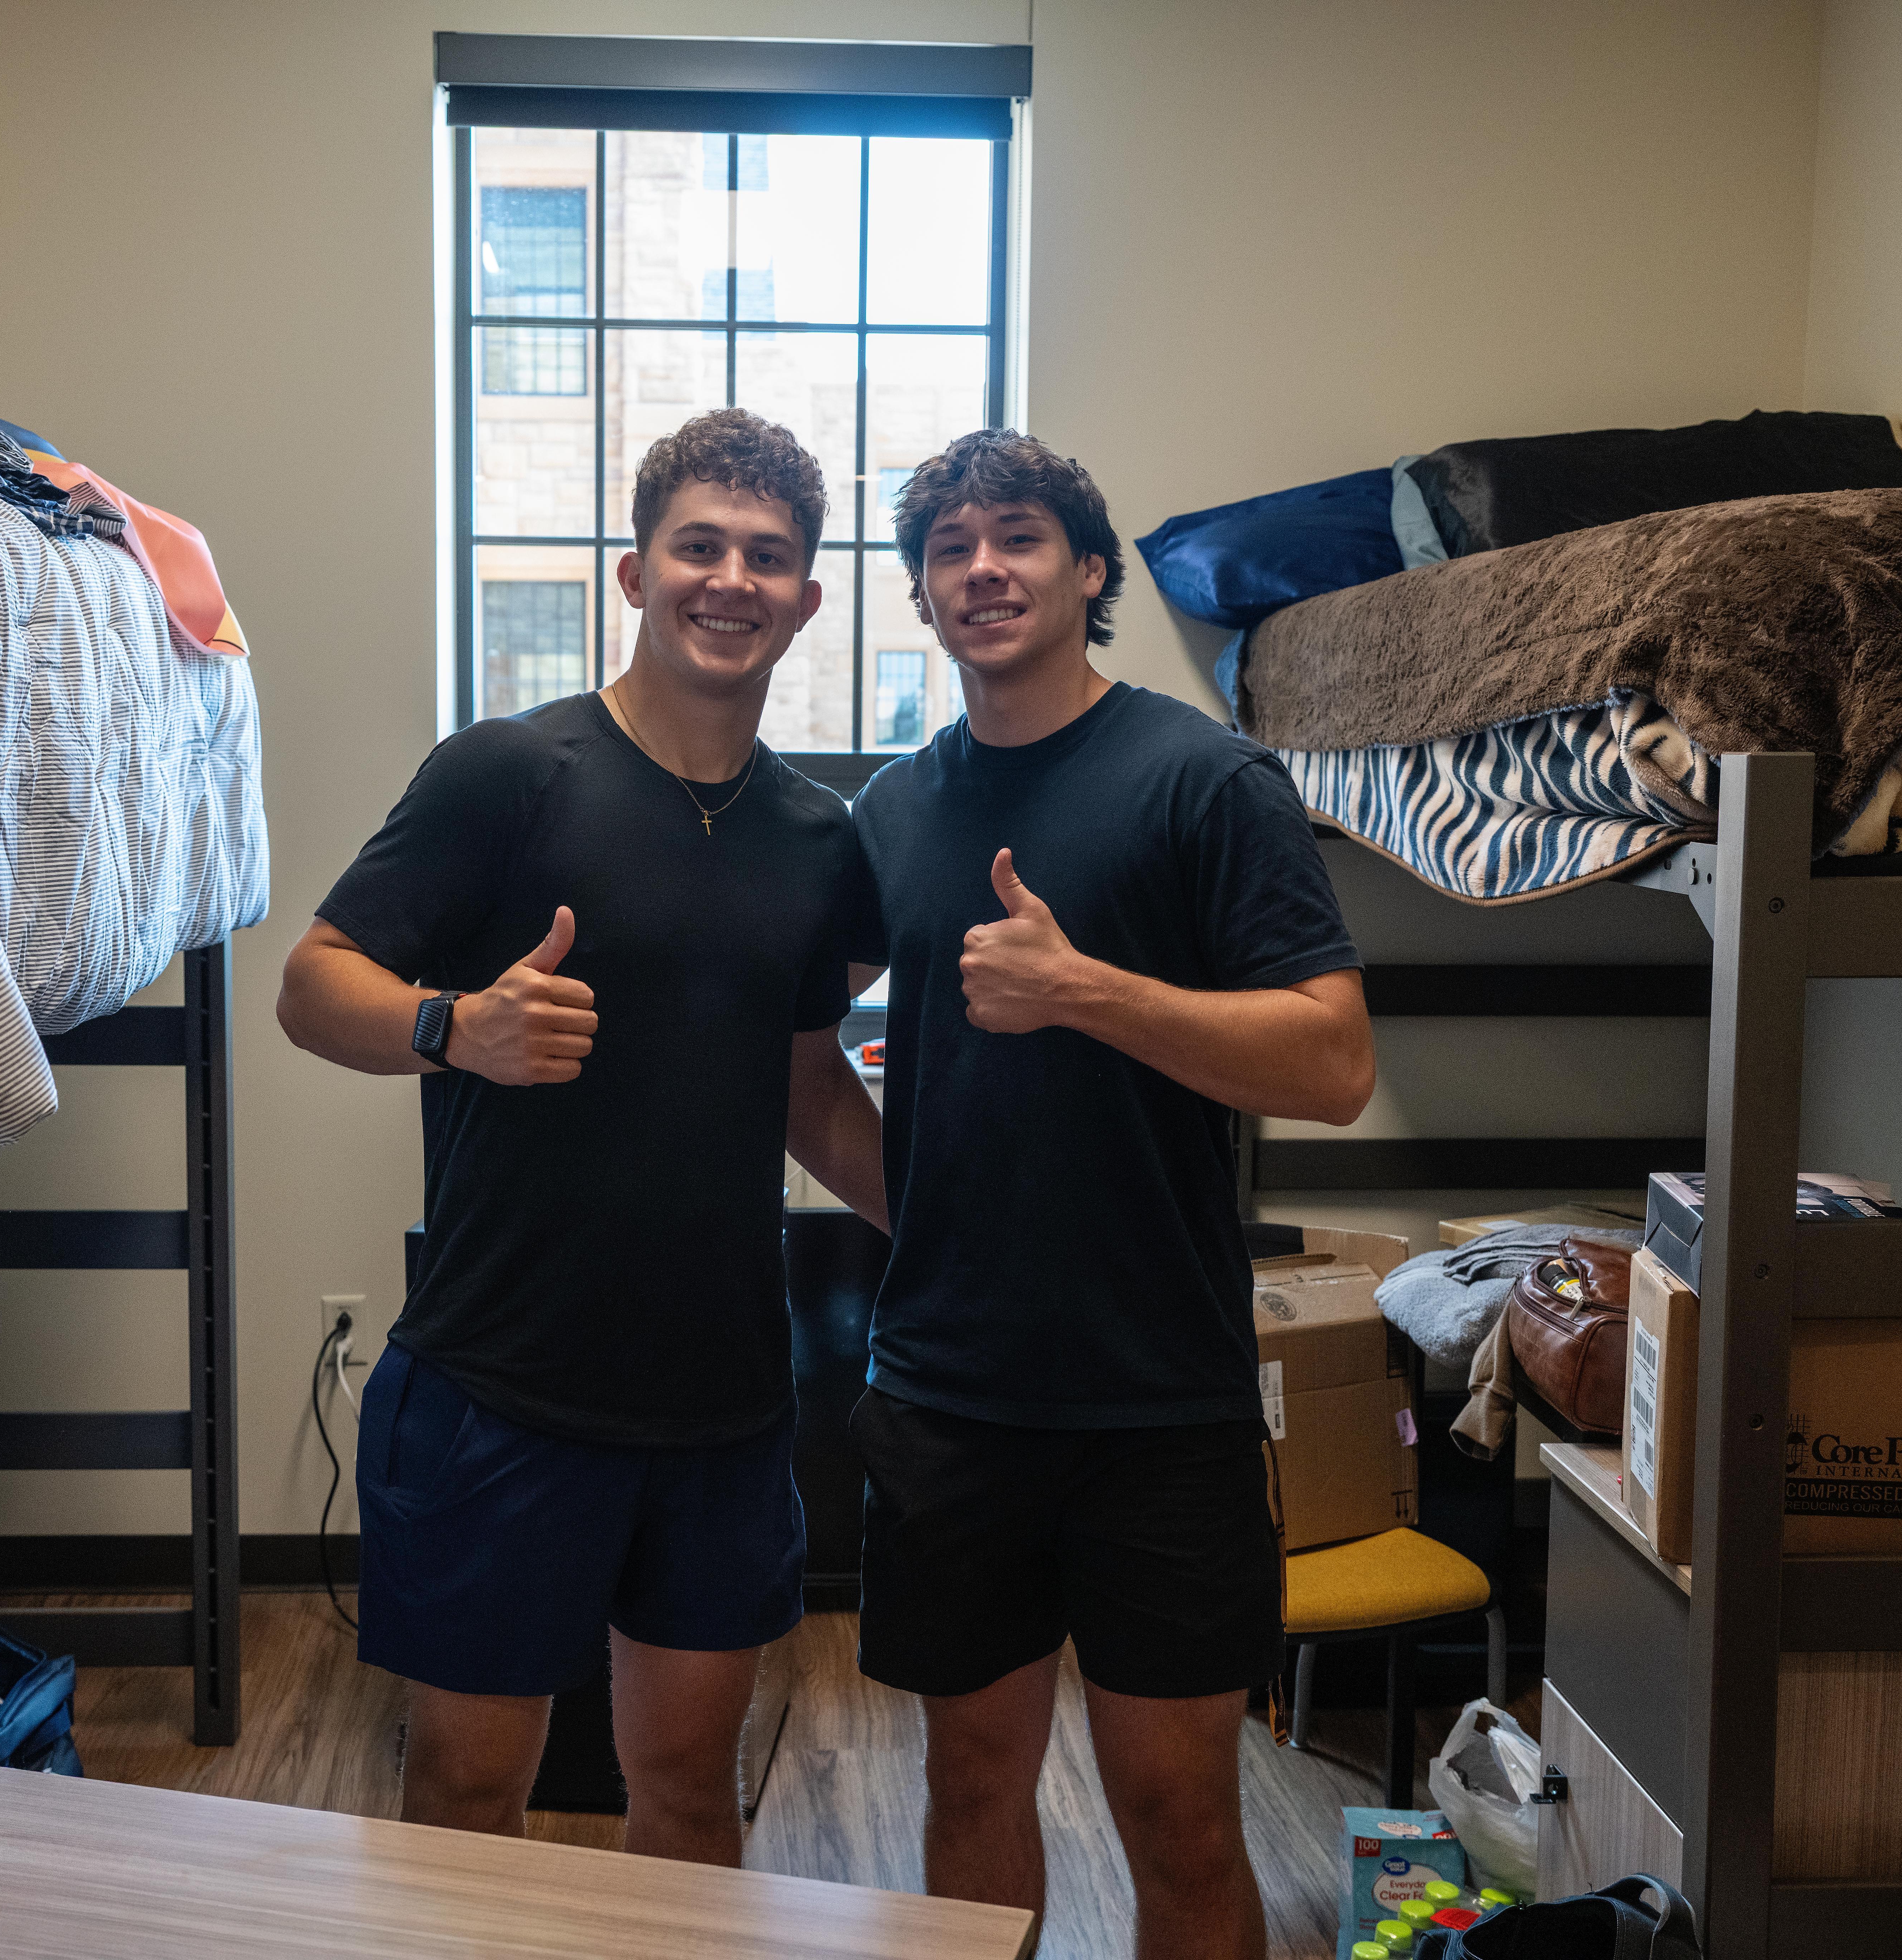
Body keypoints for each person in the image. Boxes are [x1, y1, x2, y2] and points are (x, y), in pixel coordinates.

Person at [276, 408, 886, 1865]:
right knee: (472, 1805)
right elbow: (311, 983)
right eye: (699, 546)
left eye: (768, 556)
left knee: (686, 1793)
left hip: (726, 1404)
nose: (730, 578)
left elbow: (809, 1083)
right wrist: (451, 1025)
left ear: (806, 598)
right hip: (504, 1388)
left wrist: (949, 1218)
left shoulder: (821, 840)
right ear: (634, 573)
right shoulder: (507, 772)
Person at [846, 429, 1375, 1959]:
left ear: (1090, 572)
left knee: (1183, 1812)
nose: (982, 567)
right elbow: (802, 1060)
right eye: (949, 548)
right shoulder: (891, 812)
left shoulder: (1206, 780)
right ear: (925, 595)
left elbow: (1333, 1059)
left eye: (1017, 537)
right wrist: (923, 1206)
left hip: (1164, 1399)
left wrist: (1088, 992)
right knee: (970, 1783)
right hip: (953, 1394)